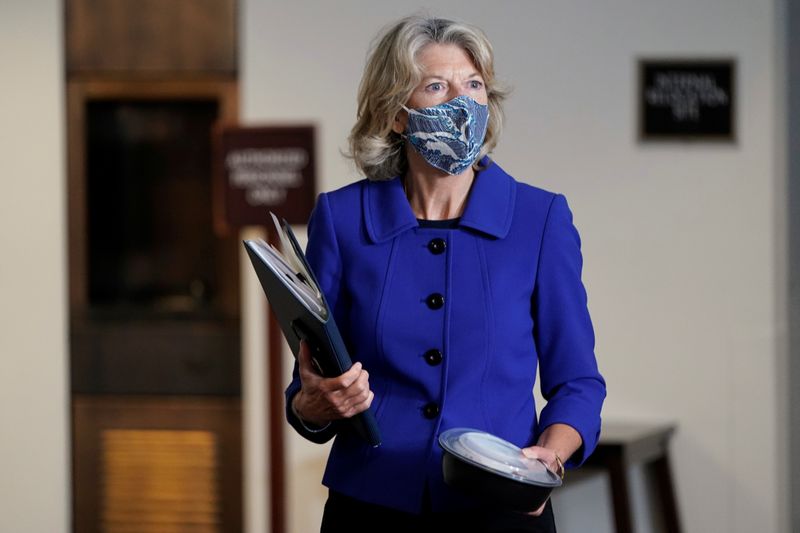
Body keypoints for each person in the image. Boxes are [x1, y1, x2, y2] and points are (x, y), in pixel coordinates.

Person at [284, 15, 606, 533]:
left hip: (502, 508)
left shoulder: (539, 219)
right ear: (396, 115)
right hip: (369, 508)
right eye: (437, 86)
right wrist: (312, 403)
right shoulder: (342, 220)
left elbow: (579, 383)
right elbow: (312, 385)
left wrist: (546, 460)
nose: (463, 101)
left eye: (474, 85)